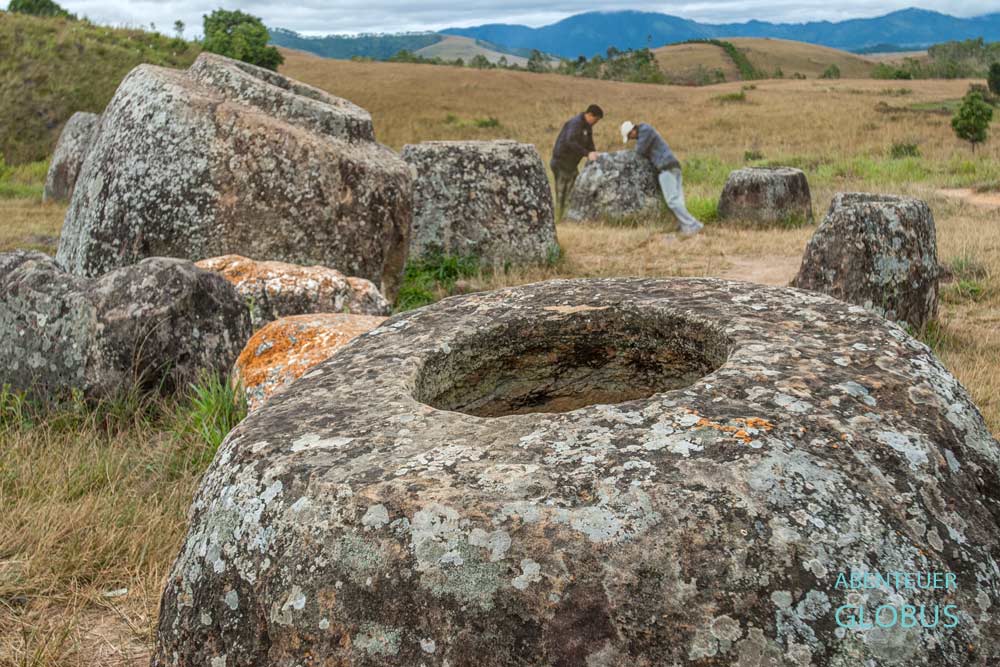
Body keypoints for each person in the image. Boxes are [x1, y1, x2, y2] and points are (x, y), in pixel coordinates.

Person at [620, 120, 704, 235]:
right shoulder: (645, 131)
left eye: (630, 136)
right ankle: (685, 226)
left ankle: (693, 225)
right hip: (673, 166)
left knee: (672, 201)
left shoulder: (645, 130)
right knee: (678, 200)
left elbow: (639, 151)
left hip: (665, 167)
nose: (632, 139)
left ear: (632, 130)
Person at [550, 104, 603, 219]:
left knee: (573, 192)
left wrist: (594, 153)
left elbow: (589, 143)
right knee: (561, 194)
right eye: (596, 120)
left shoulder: (587, 127)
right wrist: (587, 154)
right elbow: (570, 142)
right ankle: (558, 219)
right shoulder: (576, 124)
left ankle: (567, 217)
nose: (596, 123)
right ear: (589, 115)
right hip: (561, 163)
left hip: (571, 165)